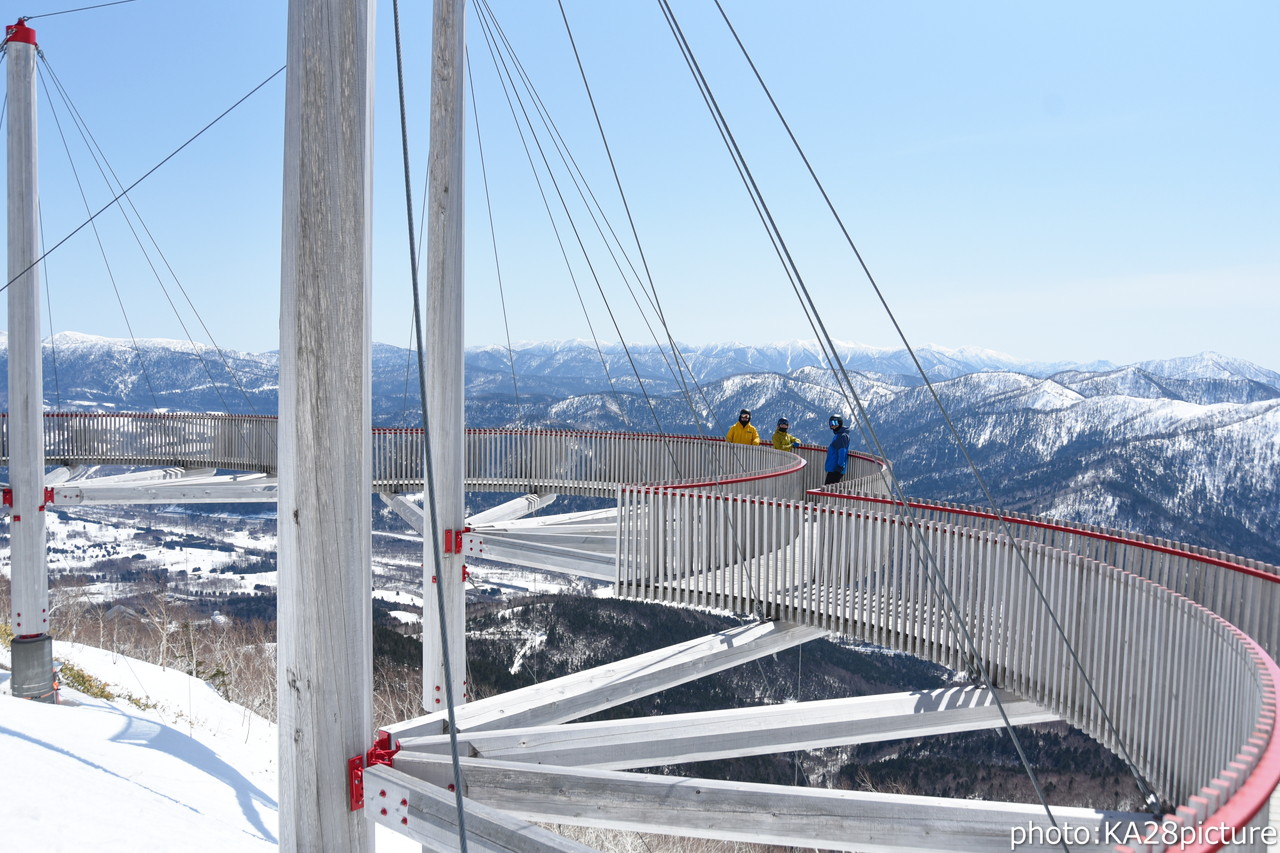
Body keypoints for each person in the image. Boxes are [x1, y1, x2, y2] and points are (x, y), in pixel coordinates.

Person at [825, 414, 851, 485]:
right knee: (829, 489)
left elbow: (842, 451)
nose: (832, 426)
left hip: (836, 469)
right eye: (831, 423)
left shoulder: (842, 436)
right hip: (834, 468)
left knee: (828, 489)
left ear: (840, 423)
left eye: (835, 423)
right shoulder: (838, 435)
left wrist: (839, 466)